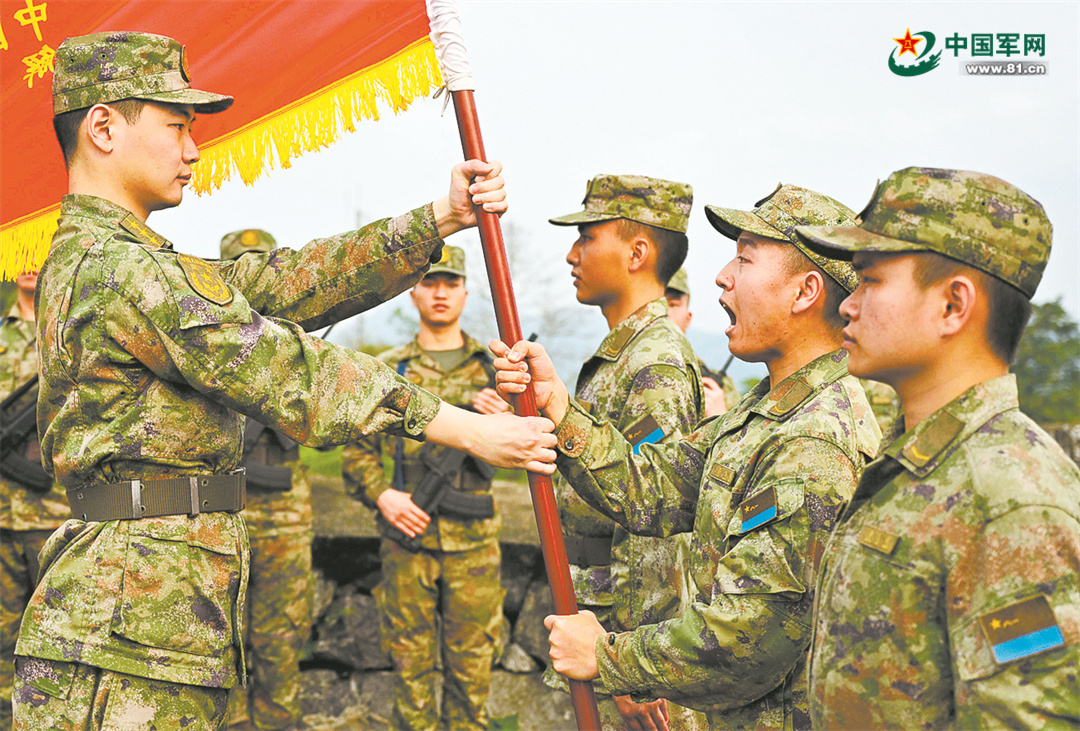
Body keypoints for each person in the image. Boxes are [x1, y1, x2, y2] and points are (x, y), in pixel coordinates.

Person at [12, 31, 555, 730]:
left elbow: (276, 282)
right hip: (126, 619)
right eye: (176, 125)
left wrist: (436, 221)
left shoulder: (123, 262)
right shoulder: (115, 268)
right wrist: (470, 426)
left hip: (140, 607)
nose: (194, 149)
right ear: (105, 125)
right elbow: (281, 363)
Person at [493, 183, 883, 728]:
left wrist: (611, 658)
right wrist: (557, 403)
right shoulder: (767, 410)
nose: (723, 277)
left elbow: (752, 634)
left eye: (744, 259)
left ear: (804, 292)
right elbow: (652, 488)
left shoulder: (813, 437)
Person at [794, 167, 1080, 728]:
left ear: (953, 305)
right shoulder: (913, 465)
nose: (847, 306)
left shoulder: (1008, 497)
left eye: (869, 280)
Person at [543, 174, 705, 730]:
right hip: (603, 620)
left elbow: (657, 523)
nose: (572, 253)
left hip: (624, 642)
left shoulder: (653, 359)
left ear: (637, 252)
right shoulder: (624, 352)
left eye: (587, 236)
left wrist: (629, 668)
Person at [341, 246, 507, 730]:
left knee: (472, 673)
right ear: (414, 291)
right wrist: (383, 495)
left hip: (474, 544)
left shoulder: (494, 369)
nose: (440, 293)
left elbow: (534, 447)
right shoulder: (387, 371)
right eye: (431, 283)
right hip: (405, 539)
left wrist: (504, 421)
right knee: (410, 671)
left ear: (465, 292)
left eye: (450, 283)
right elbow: (354, 453)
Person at [217, 230, 313, 730]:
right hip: (217, 518)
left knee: (281, 645)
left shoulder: (294, 351)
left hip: (284, 520)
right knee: (218, 647)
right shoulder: (203, 347)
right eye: (240, 266)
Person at [0, 270, 71, 726]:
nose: (29, 265)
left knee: (58, 643)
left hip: (57, 516)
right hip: (1, 518)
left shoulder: (71, 330)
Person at [664, 267, 739, 418]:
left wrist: (719, 417)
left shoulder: (720, 389)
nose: (663, 313)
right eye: (655, 303)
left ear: (688, 318)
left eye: (673, 304)